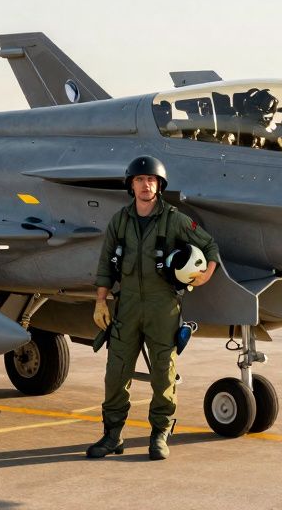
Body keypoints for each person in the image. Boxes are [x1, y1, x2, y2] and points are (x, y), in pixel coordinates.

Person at [86, 155, 221, 461]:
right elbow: (106, 264)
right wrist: (100, 301)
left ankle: (160, 434)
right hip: (126, 308)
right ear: (130, 185)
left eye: (151, 181)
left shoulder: (174, 219)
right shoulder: (119, 221)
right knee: (116, 374)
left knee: (163, 374)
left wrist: (205, 275)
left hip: (163, 309)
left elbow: (210, 246)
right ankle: (112, 436)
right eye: (139, 180)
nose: (146, 185)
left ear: (159, 186)